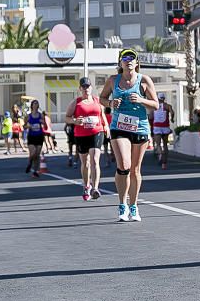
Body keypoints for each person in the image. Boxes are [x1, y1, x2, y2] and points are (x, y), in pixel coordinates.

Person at [100, 48, 160, 221]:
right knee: (124, 166)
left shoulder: (144, 80)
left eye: (132, 58)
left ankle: (133, 206)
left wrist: (141, 99)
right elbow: (102, 98)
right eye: (125, 58)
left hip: (139, 127)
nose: (128, 60)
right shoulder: (113, 80)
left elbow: (155, 105)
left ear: (136, 62)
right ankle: (122, 204)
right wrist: (111, 102)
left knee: (135, 170)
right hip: (119, 127)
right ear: (120, 63)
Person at [66, 77, 110, 200]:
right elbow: (67, 117)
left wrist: (106, 126)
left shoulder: (97, 101)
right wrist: (75, 121)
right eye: (84, 87)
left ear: (91, 88)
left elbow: (102, 115)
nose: (86, 89)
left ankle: (95, 188)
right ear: (80, 88)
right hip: (81, 135)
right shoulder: (76, 102)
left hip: (97, 132)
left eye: (88, 86)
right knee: (85, 162)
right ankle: (87, 186)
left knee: (95, 159)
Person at [25, 99, 49, 178]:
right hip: (31, 136)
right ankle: (30, 163)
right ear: (32, 106)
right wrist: (27, 126)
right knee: (33, 153)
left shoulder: (41, 115)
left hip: (39, 136)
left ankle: (35, 171)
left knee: (37, 155)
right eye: (34, 103)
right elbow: (24, 126)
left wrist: (43, 122)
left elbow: (45, 126)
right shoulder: (28, 116)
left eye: (37, 104)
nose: (36, 105)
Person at [151, 92, 175, 170]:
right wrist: (172, 118)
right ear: (164, 98)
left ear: (158, 98)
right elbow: (172, 112)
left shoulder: (154, 106)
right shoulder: (168, 106)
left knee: (158, 144)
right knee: (165, 144)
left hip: (157, 126)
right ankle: (164, 163)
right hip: (165, 127)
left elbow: (150, 116)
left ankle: (160, 154)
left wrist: (151, 124)